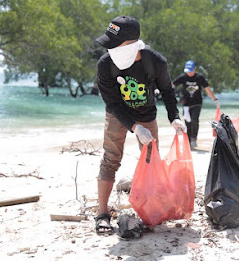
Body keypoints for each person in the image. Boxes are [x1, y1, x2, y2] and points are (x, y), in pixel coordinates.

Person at [94, 15, 187, 234]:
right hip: (118, 115)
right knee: (110, 159)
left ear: (131, 44)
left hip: (146, 114)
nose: (110, 49)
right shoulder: (105, 64)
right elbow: (112, 103)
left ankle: (151, 209)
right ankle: (102, 213)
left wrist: (174, 117)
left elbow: (167, 90)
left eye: (115, 44)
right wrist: (135, 127)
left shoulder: (154, 61)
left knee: (151, 161)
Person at [172, 60, 219, 148]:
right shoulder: (183, 77)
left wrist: (215, 100)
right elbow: (172, 84)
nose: (189, 72)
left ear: (195, 69)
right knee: (187, 122)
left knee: (194, 119)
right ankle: (189, 140)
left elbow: (208, 89)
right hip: (186, 103)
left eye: (191, 70)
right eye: (188, 71)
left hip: (197, 102)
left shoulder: (199, 77)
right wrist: (161, 89)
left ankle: (194, 139)